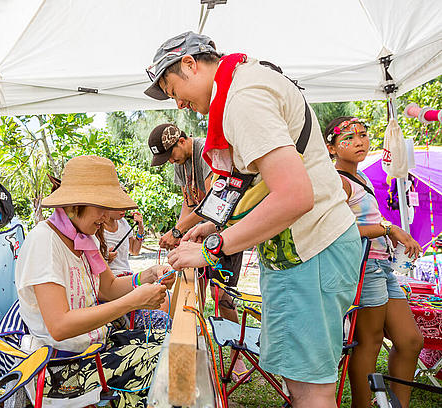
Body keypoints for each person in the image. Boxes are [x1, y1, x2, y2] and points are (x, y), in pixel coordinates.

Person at [145, 31, 362, 407]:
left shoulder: (243, 100)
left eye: (172, 88)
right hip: (298, 255)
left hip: (312, 251)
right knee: (299, 380)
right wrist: (212, 223)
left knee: (311, 389)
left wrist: (213, 248)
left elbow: (295, 195)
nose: (178, 103)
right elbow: (255, 182)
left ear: (190, 64)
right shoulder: (242, 87)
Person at [15, 155, 175, 408]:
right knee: (172, 364)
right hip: (62, 370)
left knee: (171, 342)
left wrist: (148, 275)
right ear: (77, 202)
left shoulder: (82, 239)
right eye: (101, 207)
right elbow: (59, 326)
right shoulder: (45, 242)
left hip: (95, 351)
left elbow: (109, 288)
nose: (107, 216)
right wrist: (133, 302)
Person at [324, 116, 424, 408]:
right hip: (363, 268)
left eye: (363, 135)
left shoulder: (361, 175)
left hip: (382, 266)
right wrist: (389, 229)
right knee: (370, 343)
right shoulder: (337, 181)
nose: (359, 142)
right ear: (331, 148)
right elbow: (334, 229)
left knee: (410, 341)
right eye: (349, 138)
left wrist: (386, 233)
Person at [148, 122, 249, 381]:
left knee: (222, 295)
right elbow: (188, 201)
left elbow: (211, 204)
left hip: (225, 231)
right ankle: (197, 344)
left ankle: (238, 359)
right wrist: (179, 236)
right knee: (194, 288)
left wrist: (179, 231)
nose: (170, 161)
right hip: (203, 232)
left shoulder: (205, 152)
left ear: (181, 141)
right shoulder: (182, 163)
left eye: (170, 155)